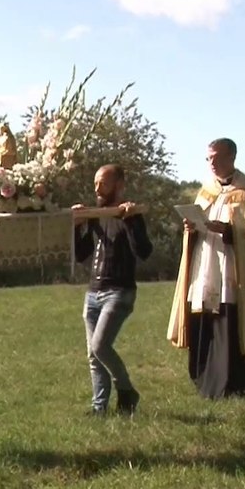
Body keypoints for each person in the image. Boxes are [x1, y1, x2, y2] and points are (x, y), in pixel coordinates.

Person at [167, 138, 245, 399]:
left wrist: (228, 230)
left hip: (231, 270)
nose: (211, 163)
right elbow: (195, 223)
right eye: (208, 158)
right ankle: (204, 378)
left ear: (232, 157)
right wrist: (190, 230)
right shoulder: (206, 191)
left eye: (216, 157)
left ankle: (233, 382)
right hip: (205, 265)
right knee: (204, 317)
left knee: (229, 321)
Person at [72, 164, 153, 416]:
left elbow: (144, 251)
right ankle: (99, 408)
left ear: (119, 185)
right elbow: (81, 254)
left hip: (119, 291)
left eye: (103, 183)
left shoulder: (131, 215)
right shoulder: (97, 215)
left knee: (99, 347)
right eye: (95, 183)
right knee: (93, 356)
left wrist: (129, 222)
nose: (97, 188)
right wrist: (77, 225)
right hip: (93, 291)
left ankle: (127, 390)